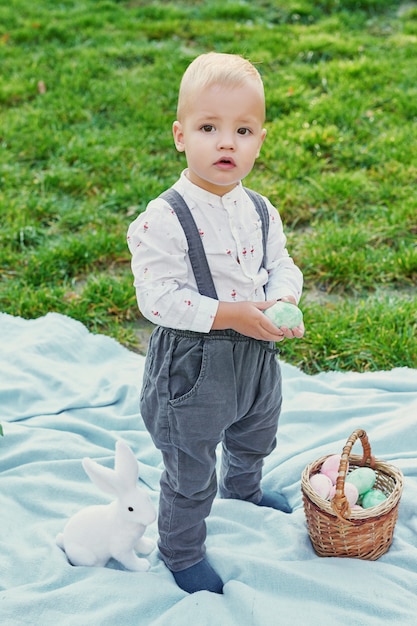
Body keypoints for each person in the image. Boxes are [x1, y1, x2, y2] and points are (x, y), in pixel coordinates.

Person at [127, 52, 304, 595]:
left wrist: (282, 299)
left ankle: (244, 487)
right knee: (190, 462)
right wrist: (231, 314)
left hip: (255, 357)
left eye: (242, 130)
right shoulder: (165, 217)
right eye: (210, 127)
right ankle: (180, 549)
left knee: (257, 430)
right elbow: (156, 299)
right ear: (181, 135)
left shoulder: (261, 209)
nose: (227, 142)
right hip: (194, 362)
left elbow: (282, 264)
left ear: (260, 140)